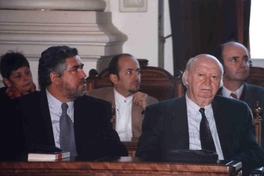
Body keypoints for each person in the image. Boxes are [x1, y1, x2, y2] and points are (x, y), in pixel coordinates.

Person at [136, 54, 264, 171]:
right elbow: (145, 156)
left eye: (214, 77)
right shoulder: (159, 112)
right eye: (201, 75)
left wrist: (227, 167)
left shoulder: (237, 111)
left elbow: (254, 153)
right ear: (187, 78)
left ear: (220, 82)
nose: (207, 83)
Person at [1, 46, 128, 160]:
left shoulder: (97, 109)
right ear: (55, 78)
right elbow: (9, 155)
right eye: (75, 70)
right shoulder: (19, 110)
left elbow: (117, 153)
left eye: (81, 68)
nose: (83, 74)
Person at [87, 53, 158, 140]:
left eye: (138, 72)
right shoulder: (95, 98)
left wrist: (148, 111)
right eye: (129, 72)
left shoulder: (151, 103)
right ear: (114, 78)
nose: (136, 77)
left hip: (136, 151)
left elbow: (158, 138)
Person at [214, 41, 264, 148]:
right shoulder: (210, 96)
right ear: (220, 65)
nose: (243, 65)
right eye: (234, 60)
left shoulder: (261, 95)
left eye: (245, 59)